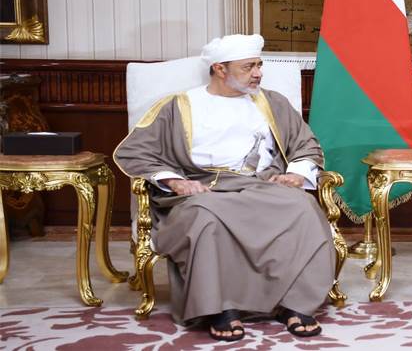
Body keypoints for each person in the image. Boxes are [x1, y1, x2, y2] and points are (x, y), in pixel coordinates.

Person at [115, 34, 335, 342]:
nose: (258, 73)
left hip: (262, 185)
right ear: (220, 69)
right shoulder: (179, 106)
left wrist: (297, 175)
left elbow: (306, 145)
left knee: (303, 208)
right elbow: (134, 152)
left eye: (259, 65)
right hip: (204, 190)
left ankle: (295, 304)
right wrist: (175, 181)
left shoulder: (272, 103)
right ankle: (220, 307)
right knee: (204, 218)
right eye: (248, 67)